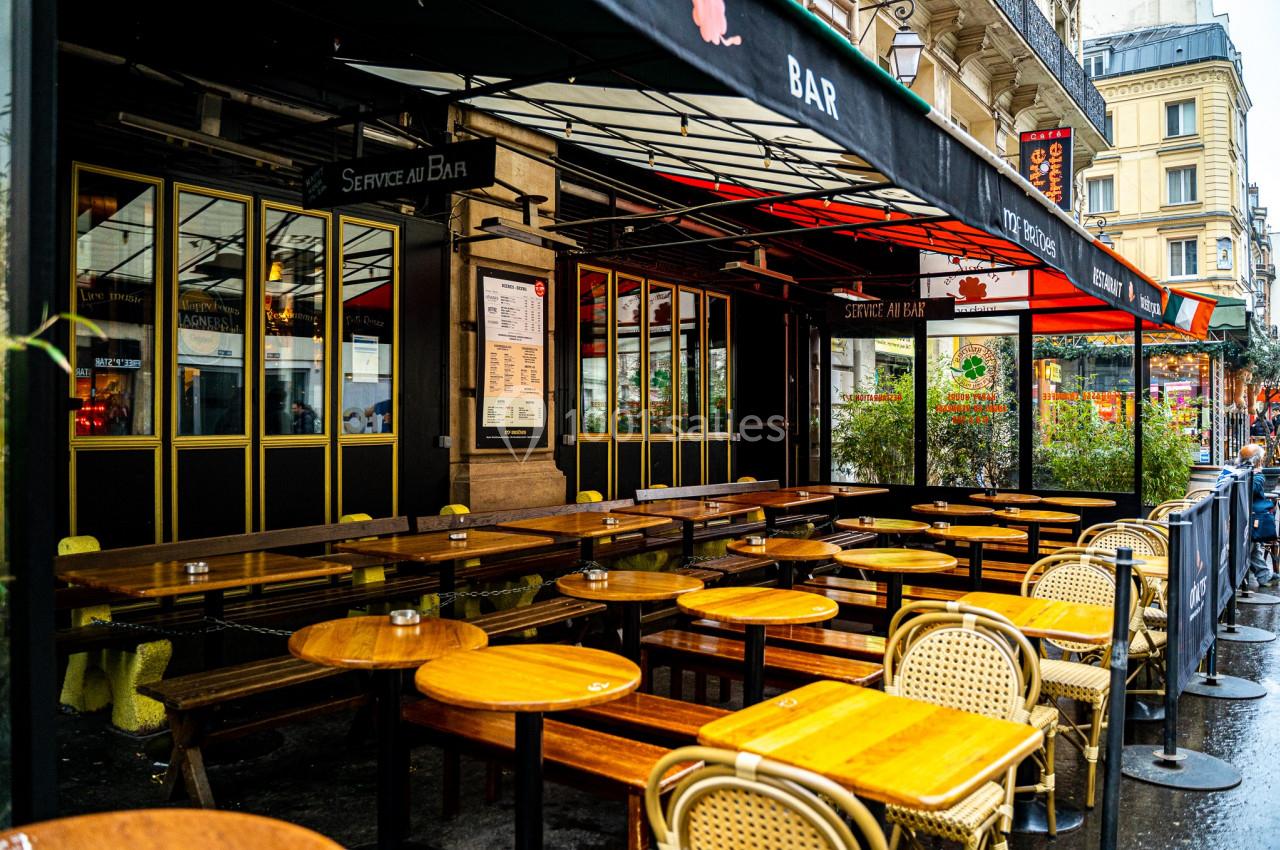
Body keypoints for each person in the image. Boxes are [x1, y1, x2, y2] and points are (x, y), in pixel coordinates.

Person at [1219, 444, 1278, 588]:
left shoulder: (1237, 471)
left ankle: (1264, 575)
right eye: (1261, 459)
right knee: (1247, 547)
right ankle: (1232, 583)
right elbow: (1253, 488)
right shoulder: (1250, 474)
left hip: (1240, 515)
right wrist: (1257, 474)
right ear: (1257, 461)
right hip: (1245, 517)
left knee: (1253, 546)